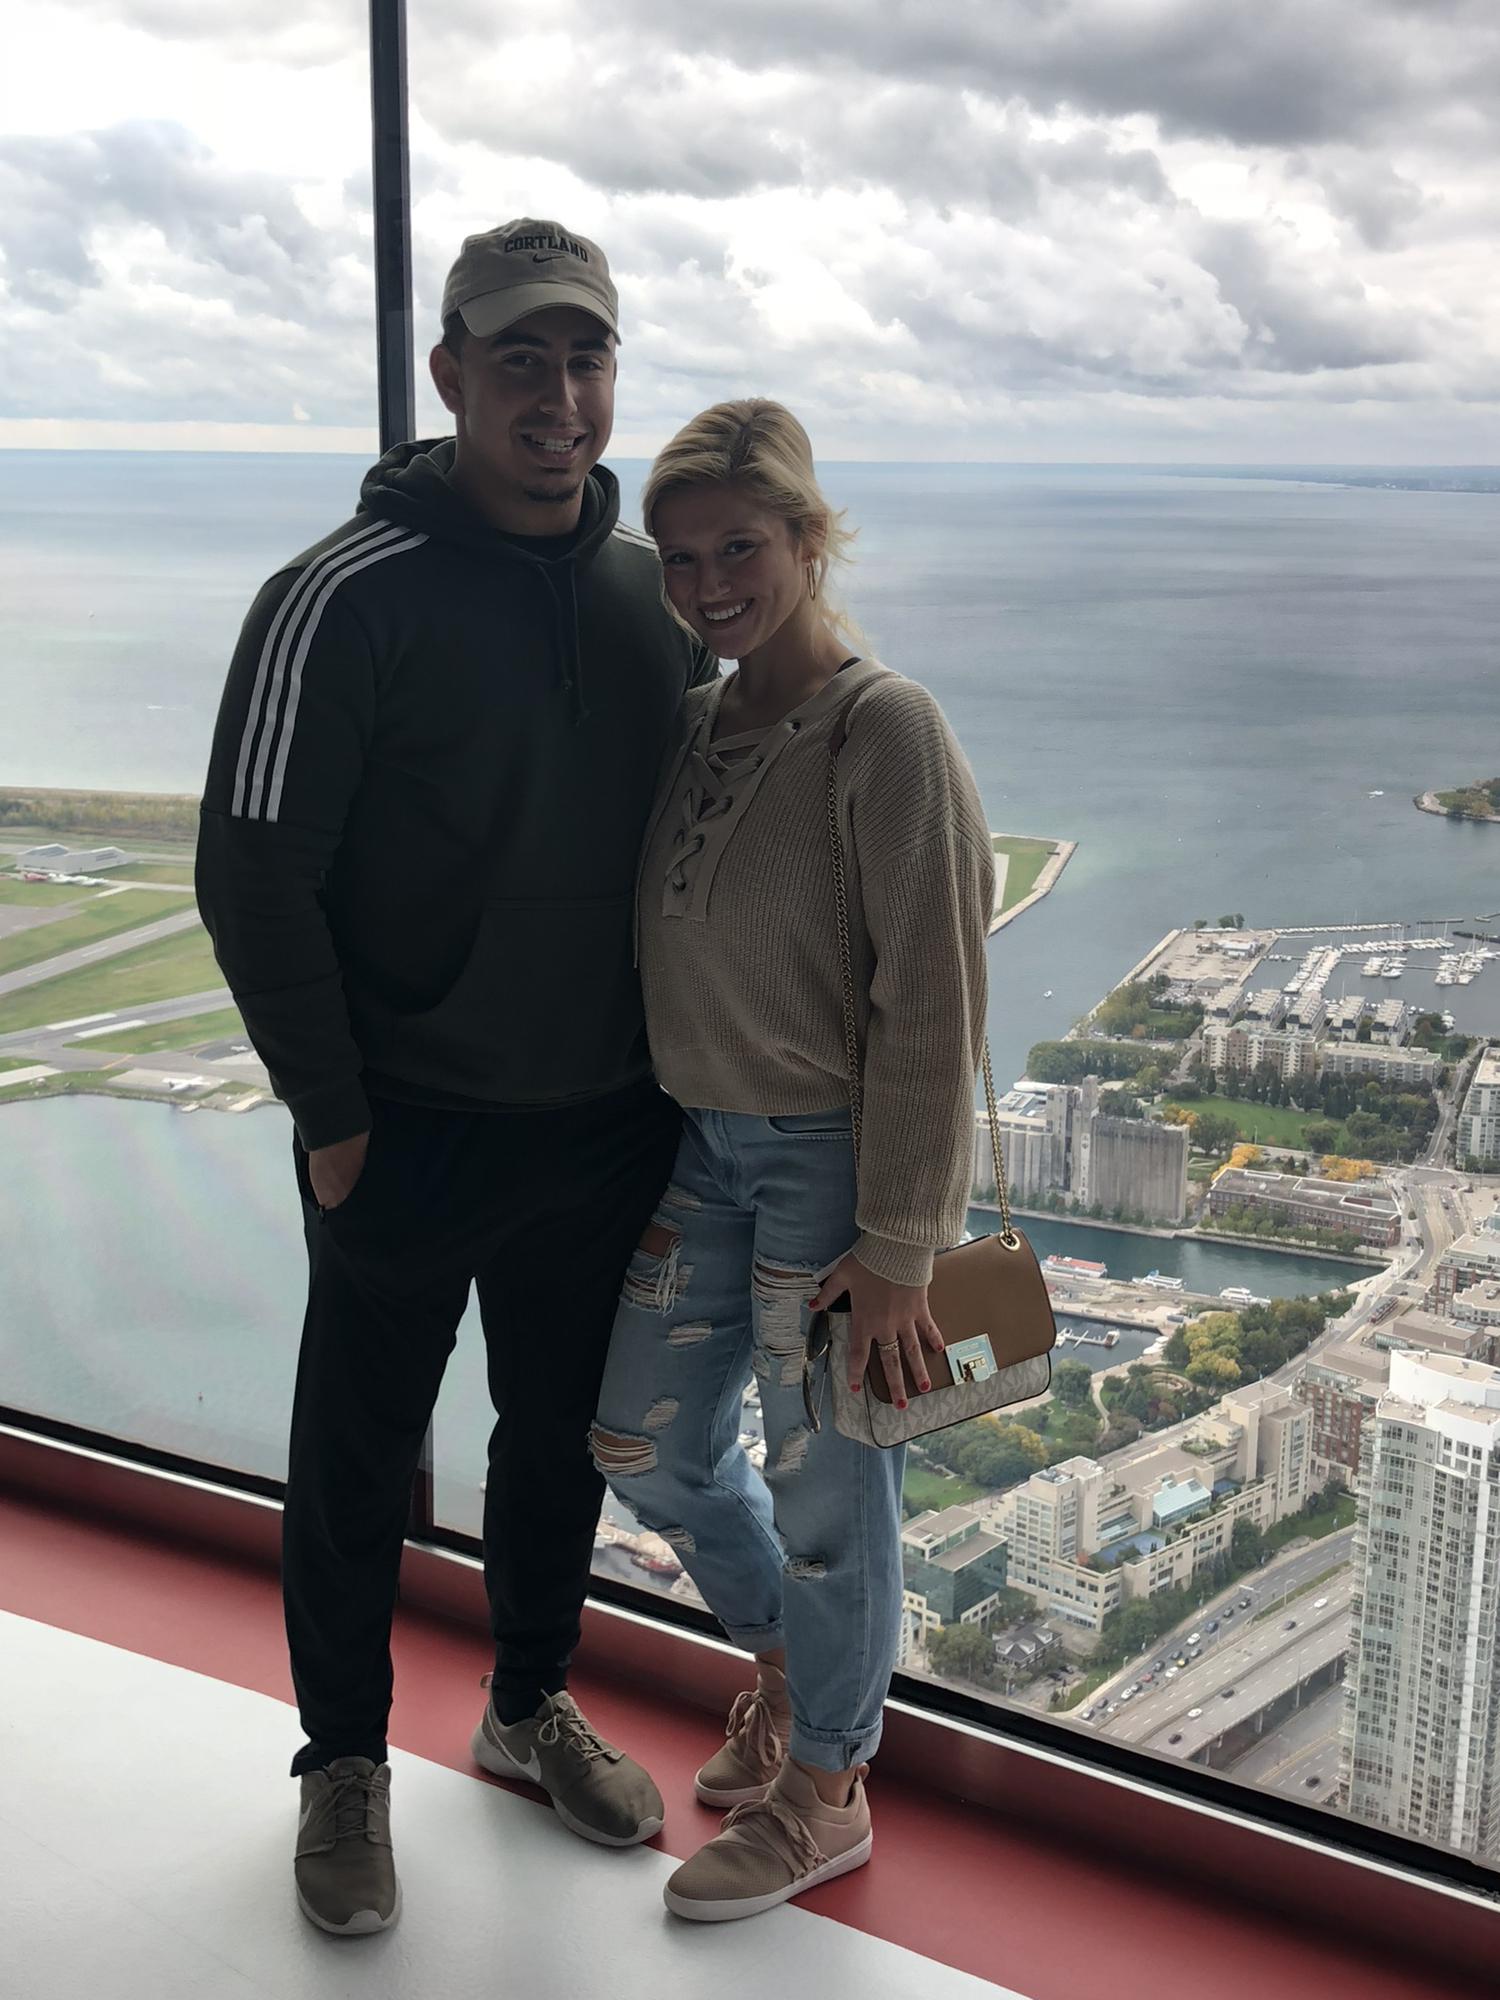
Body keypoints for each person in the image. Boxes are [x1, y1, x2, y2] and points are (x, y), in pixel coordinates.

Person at [196, 219, 715, 1937]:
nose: (560, 396)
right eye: (520, 360)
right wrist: (334, 1115)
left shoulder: (649, 593)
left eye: (587, 358)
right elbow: (250, 872)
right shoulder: (339, 594)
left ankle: (526, 1702)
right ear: (450, 376)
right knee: (357, 1459)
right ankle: (344, 1760)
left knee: (556, 1443)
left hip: (605, 1121)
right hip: (404, 1127)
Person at [591, 399, 995, 1922]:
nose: (707, 586)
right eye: (680, 558)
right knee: (641, 1446)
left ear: (812, 540)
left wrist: (902, 1246)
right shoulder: (699, 723)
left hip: (835, 1167)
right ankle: (786, 1674)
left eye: (739, 547)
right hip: (702, 1144)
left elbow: (935, 996)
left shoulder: (884, 729)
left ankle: (829, 1789)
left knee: (831, 1489)